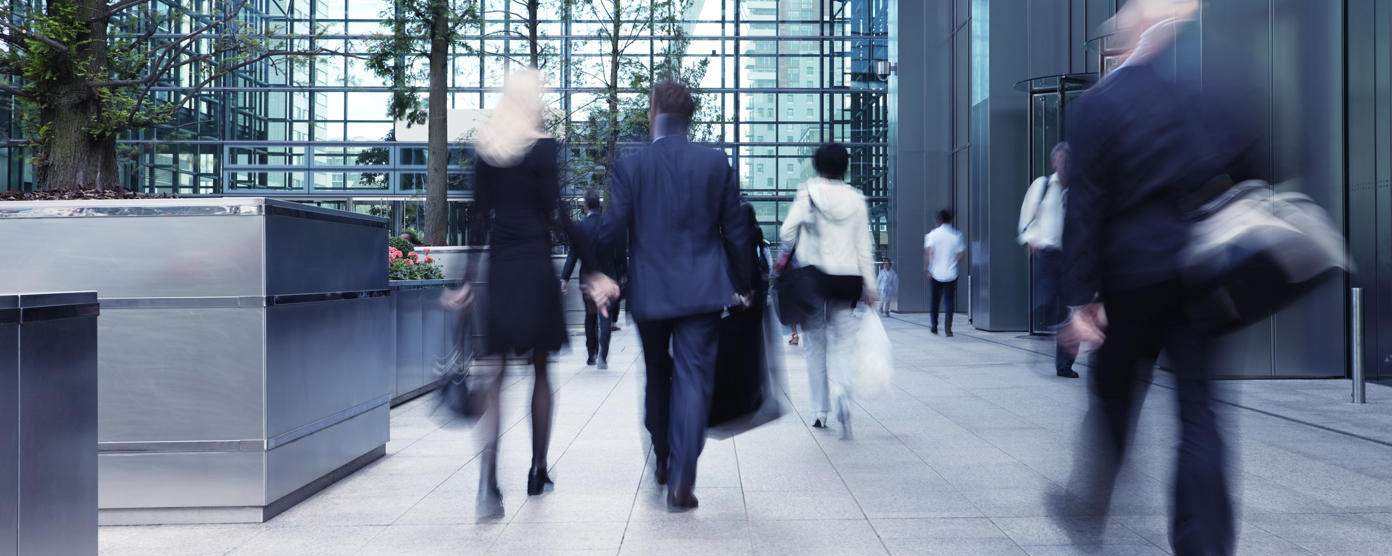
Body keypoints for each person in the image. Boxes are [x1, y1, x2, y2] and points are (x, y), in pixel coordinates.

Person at [1056, 3, 1255, 553]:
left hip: (1132, 277)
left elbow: (1087, 205)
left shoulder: (1103, 103)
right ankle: (1205, 543)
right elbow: (1251, 178)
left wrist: (1079, 299)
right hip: (1203, 273)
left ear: (1132, 38)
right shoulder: (1213, 98)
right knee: (1200, 410)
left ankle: (1088, 507)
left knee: (1116, 392)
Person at [583, 80, 752, 511]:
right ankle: (682, 476)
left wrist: (603, 271)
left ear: (653, 109)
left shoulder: (631, 167)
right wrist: (745, 284)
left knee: (658, 372)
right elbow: (736, 231)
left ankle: (661, 454)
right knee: (695, 379)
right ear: (691, 115)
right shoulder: (715, 163)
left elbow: (613, 228)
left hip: (652, 292)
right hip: (703, 291)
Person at [454, 68, 609, 516]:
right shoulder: (543, 147)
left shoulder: (486, 148)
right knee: (541, 371)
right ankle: (538, 470)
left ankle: (488, 483)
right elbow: (557, 212)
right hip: (535, 265)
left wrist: (467, 280)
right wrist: (593, 268)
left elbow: (479, 218)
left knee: (496, 375)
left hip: (501, 268)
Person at [779, 143, 878, 437]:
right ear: (845, 167)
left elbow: (785, 232)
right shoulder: (857, 199)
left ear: (818, 166)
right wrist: (871, 287)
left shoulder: (807, 194)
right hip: (847, 280)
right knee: (845, 343)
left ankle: (820, 410)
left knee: (815, 345)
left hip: (813, 280)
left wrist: (806, 226)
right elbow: (864, 246)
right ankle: (843, 391)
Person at [1019, 143, 1079, 378]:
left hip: (1072, 256)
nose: (1064, 164)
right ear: (1054, 162)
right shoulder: (1042, 186)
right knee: (1051, 301)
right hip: (1047, 253)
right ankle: (1045, 314)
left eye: (1068, 161)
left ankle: (1065, 365)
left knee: (1068, 310)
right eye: (1060, 160)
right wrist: (1030, 240)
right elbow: (1027, 216)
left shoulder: (1078, 190)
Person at [560, 189, 626, 369]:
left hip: (588, 278)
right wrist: (622, 272)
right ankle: (604, 346)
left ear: (585, 206)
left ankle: (591, 354)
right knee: (606, 312)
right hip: (608, 276)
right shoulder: (610, 225)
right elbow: (620, 251)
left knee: (590, 315)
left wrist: (564, 278)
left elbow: (572, 255)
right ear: (600, 205)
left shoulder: (579, 228)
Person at [923, 209, 965, 336]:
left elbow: (929, 252)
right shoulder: (956, 235)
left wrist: (928, 269)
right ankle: (948, 326)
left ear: (939, 220)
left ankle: (934, 326)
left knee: (935, 301)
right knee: (949, 300)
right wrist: (954, 260)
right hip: (951, 273)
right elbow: (961, 255)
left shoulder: (933, 234)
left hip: (935, 273)